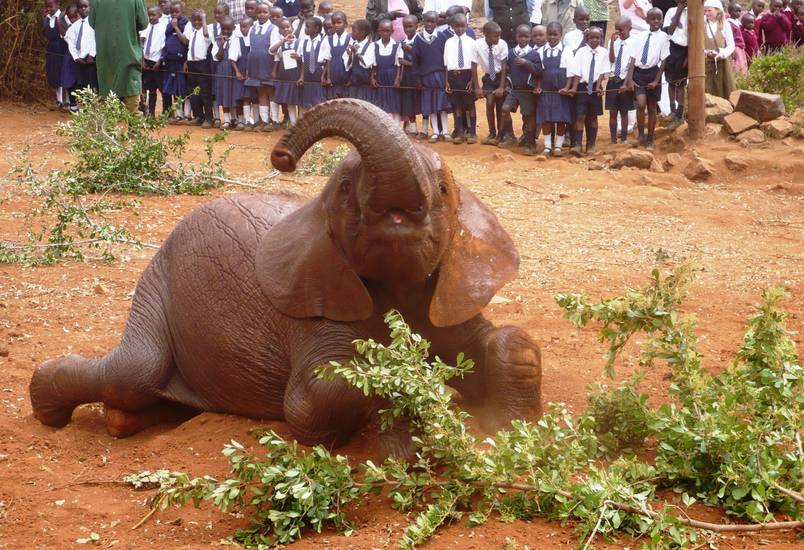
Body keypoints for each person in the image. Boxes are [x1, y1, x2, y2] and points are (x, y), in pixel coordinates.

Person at [88, 0, 147, 113]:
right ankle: (133, 130)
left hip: (105, 54)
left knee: (107, 99)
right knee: (132, 101)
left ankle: (108, 129)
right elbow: (143, 23)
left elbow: (92, 22)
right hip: (129, 53)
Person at [624, 7, 668, 150]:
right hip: (639, 73)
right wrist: (630, 78)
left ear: (662, 20)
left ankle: (650, 139)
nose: (656, 21)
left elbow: (664, 61)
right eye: (652, 18)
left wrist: (656, 80)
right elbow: (633, 58)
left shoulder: (664, 37)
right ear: (647, 20)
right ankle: (641, 135)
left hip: (653, 73)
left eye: (658, 18)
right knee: (641, 105)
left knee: (652, 107)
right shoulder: (640, 36)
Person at [567, 26, 609, 155]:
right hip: (581, 87)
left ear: (601, 39)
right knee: (580, 116)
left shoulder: (604, 52)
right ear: (587, 38)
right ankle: (578, 144)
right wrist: (574, 88)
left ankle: (591, 144)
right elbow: (577, 71)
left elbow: (603, 71)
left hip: (596, 87)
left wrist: (598, 87)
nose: (594, 40)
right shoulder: (581, 52)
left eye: (597, 37)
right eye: (591, 37)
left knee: (593, 117)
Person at [502, 24, 542, 154]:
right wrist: (507, 85)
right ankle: (510, 136)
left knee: (529, 116)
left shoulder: (534, 54)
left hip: (528, 91)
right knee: (505, 109)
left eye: (526, 36)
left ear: (530, 37)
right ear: (516, 37)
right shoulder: (511, 53)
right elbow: (507, 71)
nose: (523, 39)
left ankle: (530, 143)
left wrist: (527, 63)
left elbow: (539, 72)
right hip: (514, 90)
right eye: (521, 36)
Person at [413, 11, 452, 142]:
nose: (429, 24)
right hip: (426, 77)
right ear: (423, 21)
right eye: (427, 21)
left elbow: (446, 59)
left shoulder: (442, 37)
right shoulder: (418, 39)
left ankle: (445, 131)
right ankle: (435, 131)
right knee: (431, 105)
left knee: (442, 105)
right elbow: (415, 61)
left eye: (432, 22)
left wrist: (447, 79)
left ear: (437, 23)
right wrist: (418, 80)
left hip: (440, 75)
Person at [536, 21, 573, 157]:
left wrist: (567, 88)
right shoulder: (540, 51)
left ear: (561, 35)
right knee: (546, 118)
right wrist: (539, 87)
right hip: (546, 90)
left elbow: (570, 72)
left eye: (555, 34)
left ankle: (558, 146)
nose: (552, 37)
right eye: (549, 34)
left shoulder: (567, 50)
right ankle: (547, 147)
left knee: (560, 118)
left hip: (561, 90)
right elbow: (538, 73)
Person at [444, 13, 479, 144]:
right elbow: (446, 64)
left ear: (467, 25)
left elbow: (474, 64)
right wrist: (446, 81)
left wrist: (472, 81)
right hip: (453, 76)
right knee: (456, 105)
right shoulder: (448, 42)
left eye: (462, 26)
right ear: (452, 26)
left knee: (470, 105)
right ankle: (459, 132)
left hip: (467, 75)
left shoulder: (472, 42)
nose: (459, 29)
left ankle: (473, 133)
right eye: (456, 26)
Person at [474, 21, 510, 146]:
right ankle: (492, 132)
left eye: (499, 35)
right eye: (495, 36)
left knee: (500, 106)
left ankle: (500, 134)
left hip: (501, 77)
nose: (498, 38)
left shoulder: (502, 44)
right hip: (489, 78)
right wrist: (477, 87)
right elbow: (473, 66)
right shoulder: (477, 45)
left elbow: (504, 67)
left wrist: (501, 86)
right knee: (489, 103)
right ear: (485, 34)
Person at [246, 4, 280, 130]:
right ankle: (264, 120)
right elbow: (250, 49)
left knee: (271, 91)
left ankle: (275, 120)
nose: (261, 14)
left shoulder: (273, 29)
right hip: (255, 65)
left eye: (265, 12)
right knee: (260, 91)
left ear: (269, 14)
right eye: (259, 12)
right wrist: (248, 69)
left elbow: (276, 51)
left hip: (268, 64)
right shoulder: (252, 28)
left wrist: (274, 68)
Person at [364, 19, 403, 120]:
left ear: (392, 31)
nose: (385, 33)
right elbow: (373, 65)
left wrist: (397, 79)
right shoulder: (374, 45)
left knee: (394, 103)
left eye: (388, 31)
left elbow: (399, 65)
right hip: (380, 77)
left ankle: (396, 128)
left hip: (392, 76)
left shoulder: (397, 45)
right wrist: (372, 78)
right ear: (378, 31)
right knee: (381, 103)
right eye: (382, 31)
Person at [63, 0, 98, 111]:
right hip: (78, 60)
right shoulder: (74, 26)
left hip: (90, 60)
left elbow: (96, 40)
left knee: (90, 85)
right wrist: (76, 57)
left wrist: (92, 55)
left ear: (90, 8)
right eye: (80, 7)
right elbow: (71, 42)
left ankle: (90, 109)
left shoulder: (94, 24)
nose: (83, 9)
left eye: (85, 6)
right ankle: (76, 106)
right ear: (77, 9)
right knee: (79, 83)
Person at [182, 10, 214, 128]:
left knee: (205, 92)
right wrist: (186, 61)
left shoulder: (206, 30)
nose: (197, 22)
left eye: (199, 20)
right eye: (194, 20)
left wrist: (204, 18)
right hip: (192, 64)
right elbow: (190, 48)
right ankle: (198, 116)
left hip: (202, 64)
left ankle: (209, 118)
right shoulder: (193, 32)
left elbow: (206, 35)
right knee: (193, 92)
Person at [606, 16, 635, 144]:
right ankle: (613, 139)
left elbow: (631, 65)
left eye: (621, 30)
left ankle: (623, 138)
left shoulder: (634, 43)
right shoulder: (613, 42)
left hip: (624, 79)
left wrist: (626, 83)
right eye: (616, 29)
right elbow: (612, 59)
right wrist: (612, 43)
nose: (619, 33)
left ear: (630, 29)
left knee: (624, 112)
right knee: (613, 112)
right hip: (613, 79)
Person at [271, 18, 303, 125]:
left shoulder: (299, 42)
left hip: (297, 74)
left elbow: (304, 59)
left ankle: (300, 123)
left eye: (288, 27)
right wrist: (283, 40)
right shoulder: (281, 44)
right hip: (285, 75)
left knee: (300, 100)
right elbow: (272, 51)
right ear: (279, 30)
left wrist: (299, 58)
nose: (286, 29)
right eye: (283, 28)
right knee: (290, 100)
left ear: (292, 28)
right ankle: (293, 123)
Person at [162, 1, 190, 121]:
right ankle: (178, 113)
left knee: (183, 88)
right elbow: (167, 38)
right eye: (172, 12)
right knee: (174, 89)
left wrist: (175, 27)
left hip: (181, 60)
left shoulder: (185, 23)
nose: (174, 14)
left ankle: (187, 113)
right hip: (170, 61)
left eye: (176, 12)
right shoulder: (169, 24)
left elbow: (185, 42)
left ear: (182, 12)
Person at [703, 0, 736, 98]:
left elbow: (731, 45)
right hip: (705, 63)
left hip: (721, 64)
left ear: (718, 10)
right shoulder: (702, 24)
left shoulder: (725, 25)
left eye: (709, 10)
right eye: (705, 10)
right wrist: (705, 52)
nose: (707, 13)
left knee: (724, 92)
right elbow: (697, 44)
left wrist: (722, 53)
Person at [663, 0, 688, 127]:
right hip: (672, 48)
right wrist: (678, 11)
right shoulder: (671, 11)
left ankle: (680, 114)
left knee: (681, 83)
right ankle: (672, 111)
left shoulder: (692, 13)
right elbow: (670, 31)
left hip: (685, 51)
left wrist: (688, 57)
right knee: (671, 81)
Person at [140, 6, 168, 116]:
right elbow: (141, 43)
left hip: (158, 62)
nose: (151, 17)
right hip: (146, 62)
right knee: (150, 90)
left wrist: (160, 61)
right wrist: (142, 60)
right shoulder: (145, 27)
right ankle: (150, 113)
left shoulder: (164, 28)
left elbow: (165, 47)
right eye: (149, 15)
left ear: (159, 15)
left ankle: (166, 113)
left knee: (163, 89)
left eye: (153, 15)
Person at [399, 15, 423, 136]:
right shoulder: (402, 42)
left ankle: (424, 128)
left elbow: (422, 61)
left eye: (410, 26)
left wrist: (407, 62)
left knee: (420, 101)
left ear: (416, 26)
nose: (407, 29)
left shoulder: (420, 41)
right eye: (405, 27)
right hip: (407, 77)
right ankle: (412, 127)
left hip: (418, 77)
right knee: (408, 101)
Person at [319, 11, 351, 98]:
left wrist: (351, 78)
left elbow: (352, 61)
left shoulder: (350, 38)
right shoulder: (329, 40)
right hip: (334, 77)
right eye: (334, 23)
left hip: (346, 77)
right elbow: (328, 59)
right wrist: (328, 77)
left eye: (339, 22)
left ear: (346, 24)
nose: (336, 25)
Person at [297, 17, 326, 111]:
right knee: (307, 104)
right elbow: (303, 61)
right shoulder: (303, 42)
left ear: (316, 28)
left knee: (319, 104)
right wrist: (302, 77)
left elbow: (327, 61)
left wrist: (324, 76)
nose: (305, 29)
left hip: (319, 79)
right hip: (308, 79)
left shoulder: (323, 42)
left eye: (308, 26)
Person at [43, 0, 68, 110]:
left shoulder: (63, 17)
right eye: (47, 6)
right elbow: (45, 32)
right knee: (54, 73)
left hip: (62, 48)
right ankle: (59, 100)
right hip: (52, 48)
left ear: (57, 5)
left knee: (65, 73)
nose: (49, 8)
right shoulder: (47, 18)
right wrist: (44, 19)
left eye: (51, 6)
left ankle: (68, 100)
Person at [212, 16, 236, 128]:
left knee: (233, 94)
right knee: (224, 94)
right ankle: (226, 120)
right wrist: (221, 45)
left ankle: (235, 118)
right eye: (223, 29)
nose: (225, 31)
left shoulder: (236, 39)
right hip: (221, 70)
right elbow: (217, 57)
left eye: (228, 29)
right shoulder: (217, 41)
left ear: (233, 28)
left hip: (234, 70)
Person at [345, 19, 376, 103]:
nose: (352, 33)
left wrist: (356, 53)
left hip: (365, 84)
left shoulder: (371, 45)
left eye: (354, 31)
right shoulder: (354, 44)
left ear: (362, 32)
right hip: (354, 83)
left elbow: (367, 63)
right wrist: (350, 56)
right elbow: (348, 66)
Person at [230, 17, 253, 128]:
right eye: (241, 27)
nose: (243, 29)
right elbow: (232, 59)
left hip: (253, 74)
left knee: (251, 97)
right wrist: (237, 72)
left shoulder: (255, 40)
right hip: (240, 74)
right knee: (240, 97)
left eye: (245, 26)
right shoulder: (237, 40)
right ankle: (241, 120)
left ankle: (250, 120)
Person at [727, 3, 748, 74]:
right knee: (738, 65)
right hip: (736, 47)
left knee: (743, 63)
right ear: (729, 12)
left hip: (741, 46)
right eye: (736, 11)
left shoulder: (737, 23)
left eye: (740, 11)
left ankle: (742, 78)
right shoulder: (729, 23)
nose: (738, 13)